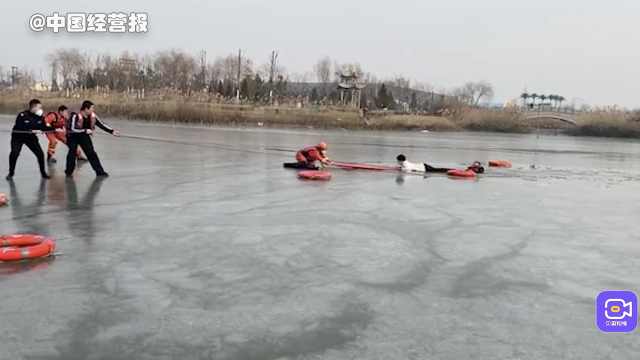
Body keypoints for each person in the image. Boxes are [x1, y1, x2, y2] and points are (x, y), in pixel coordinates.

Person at [65, 100, 120, 177]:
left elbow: (102, 124)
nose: (93, 110)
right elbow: (72, 128)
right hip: (72, 136)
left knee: (91, 153)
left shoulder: (93, 116)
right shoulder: (75, 115)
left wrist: (112, 131)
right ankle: (68, 172)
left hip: (83, 135)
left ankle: (100, 172)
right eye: (92, 108)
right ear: (86, 109)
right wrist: (85, 130)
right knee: (72, 152)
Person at [7, 99, 51, 180]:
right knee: (14, 153)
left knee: (40, 154)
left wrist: (55, 128)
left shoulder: (40, 117)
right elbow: (21, 126)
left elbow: (43, 127)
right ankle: (11, 172)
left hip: (30, 137)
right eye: (39, 107)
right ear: (33, 107)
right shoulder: (22, 115)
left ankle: (43, 173)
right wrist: (34, 129)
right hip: (18, 137)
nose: (41, 109)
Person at [396, 154, 485, 174]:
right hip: (424, 167)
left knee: (439, 170)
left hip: (425, 168)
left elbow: (407, 169)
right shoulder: (405, 162)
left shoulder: (405, 165)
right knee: (438, 170)